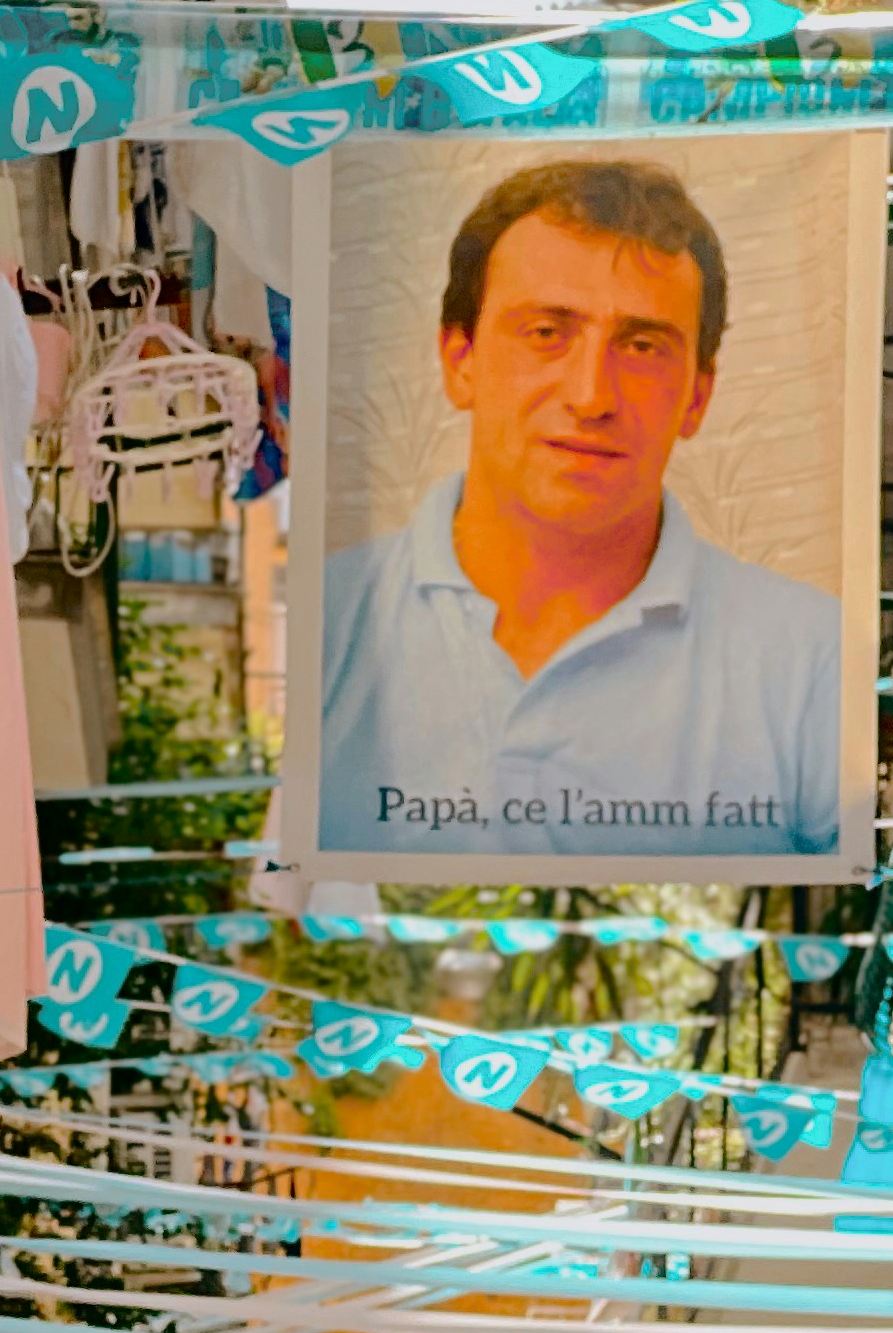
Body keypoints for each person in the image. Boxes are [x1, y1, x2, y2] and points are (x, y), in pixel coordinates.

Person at [320, 157, 842, 861]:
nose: (592, 394)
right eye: (545, 333)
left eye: (643, 346)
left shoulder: (814, 659)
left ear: (696, 397)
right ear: (459, 360)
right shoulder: (323, 622)